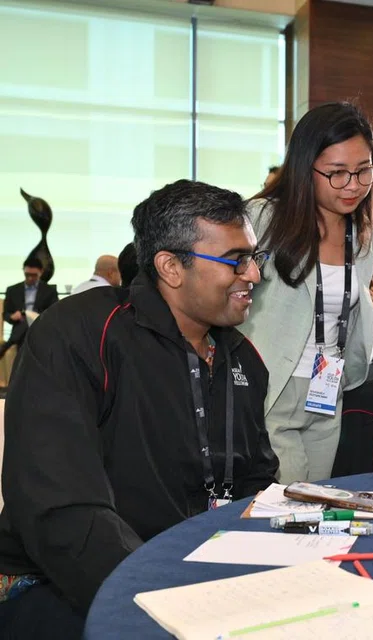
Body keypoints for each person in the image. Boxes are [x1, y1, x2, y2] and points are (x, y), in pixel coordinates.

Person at [0, 180, 279, 637]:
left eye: (255, 258)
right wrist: (165, 596)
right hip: (62, 581)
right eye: (236, 260)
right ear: (171, 267)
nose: (253, 274)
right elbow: (63, 513)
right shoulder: (80, 334)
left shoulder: (243, 358)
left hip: (195, 574)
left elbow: (255, 482)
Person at [244, 102, 373, 483]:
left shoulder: (367, 235)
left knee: (315, 502)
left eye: (363, 171)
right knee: (284, 505)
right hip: (272, 386)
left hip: (327, 388)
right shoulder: (262, 219)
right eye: (337, 173)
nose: (352, 185)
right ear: (307, 168)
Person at [0, 257, 59, 359]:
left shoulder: (50, 291)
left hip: (41, 325)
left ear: (41, 272)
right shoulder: (12, 290)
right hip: (20, 325)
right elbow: (6, 314)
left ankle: (8, 344)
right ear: (23, 271)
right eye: (27, 275)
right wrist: (12, 316)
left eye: (34, 275)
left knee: (30, 323)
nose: (30, 278)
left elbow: (55, 313)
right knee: (26, 326)